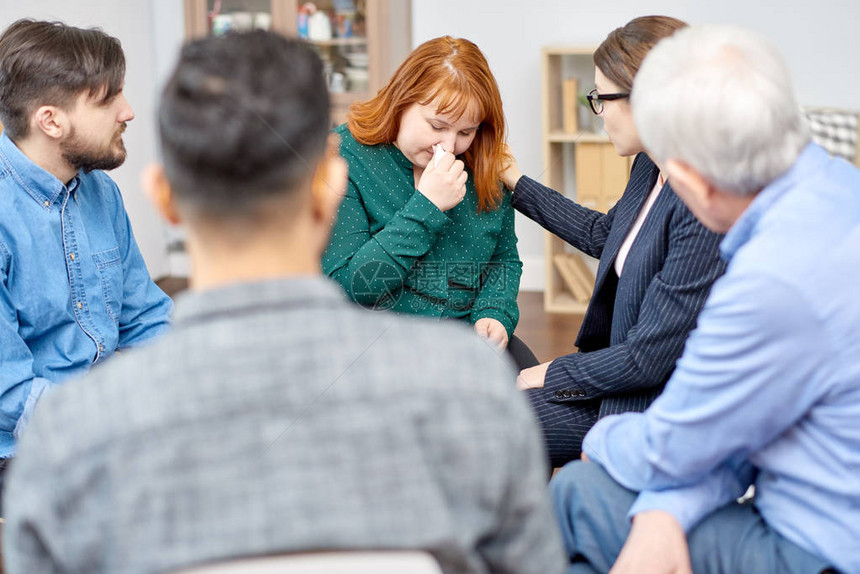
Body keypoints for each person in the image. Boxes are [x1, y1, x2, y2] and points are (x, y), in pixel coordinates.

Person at [3, 30, 567, 574]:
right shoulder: (477, 392)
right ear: (330, 186)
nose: (449, 146)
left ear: (165, 201)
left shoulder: (68, 437)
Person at [551, 24, 860, 574]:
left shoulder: (766, 283)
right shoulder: (841, 189)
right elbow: (737, 427)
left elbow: (666, 447)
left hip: (816, 550)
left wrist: (603, 436)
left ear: (690, 182)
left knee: (576, 493)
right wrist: (664, 508)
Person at [500, 16, 725, 467]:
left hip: (654, 401)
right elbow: (608, 235)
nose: (596, 111)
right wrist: (515, 182)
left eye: (602, 97)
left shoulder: (704, 203)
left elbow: (647, 360)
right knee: (488, 417)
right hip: (616, 375)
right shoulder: (649, 162)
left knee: (496, 428)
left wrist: (554, 372)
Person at [0, 19, 172, 510]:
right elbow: (8, 393)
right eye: (108, 99)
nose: (129, 111)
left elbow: (145, 317)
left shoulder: (101, 192)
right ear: (51, 121)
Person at [322, 36, 535, 368]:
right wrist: (427, 206)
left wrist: (494, 313)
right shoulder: (346, 156)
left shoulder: (485, 160)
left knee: (538, 405)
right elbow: (354, 287)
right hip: (382, 343)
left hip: (469, 338)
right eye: (437, 126)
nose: (450, 146)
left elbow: (504, 260)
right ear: (401, 101)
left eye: (467, 131)